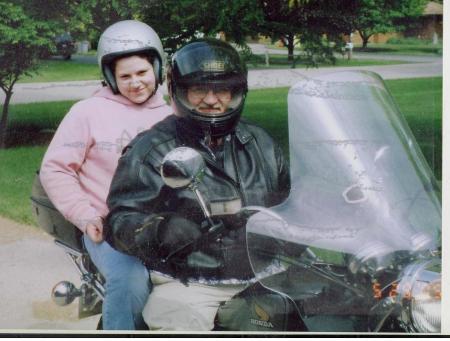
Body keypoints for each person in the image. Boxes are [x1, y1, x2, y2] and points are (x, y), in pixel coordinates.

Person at [105, 39, 290, 331]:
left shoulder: (262, 144)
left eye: (223, 89)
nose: (212, 100)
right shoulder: (151, 149)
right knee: (179, 325)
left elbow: (293, 204)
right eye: (199, 89)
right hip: (191, 282)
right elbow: (119, 220)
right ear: (178, 92)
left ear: (237, 92)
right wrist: (158, 229)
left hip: (269, 274)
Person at [39, 20, 172, 330]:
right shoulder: (87, 112)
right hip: (108, 226)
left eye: (142, 72)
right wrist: (85, 216)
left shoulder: (170, 114)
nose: (135, 82)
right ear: (110, 77)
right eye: (124, 76)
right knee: (130, 280)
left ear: (156, 68)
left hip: (164, 227)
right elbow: (56, 168)